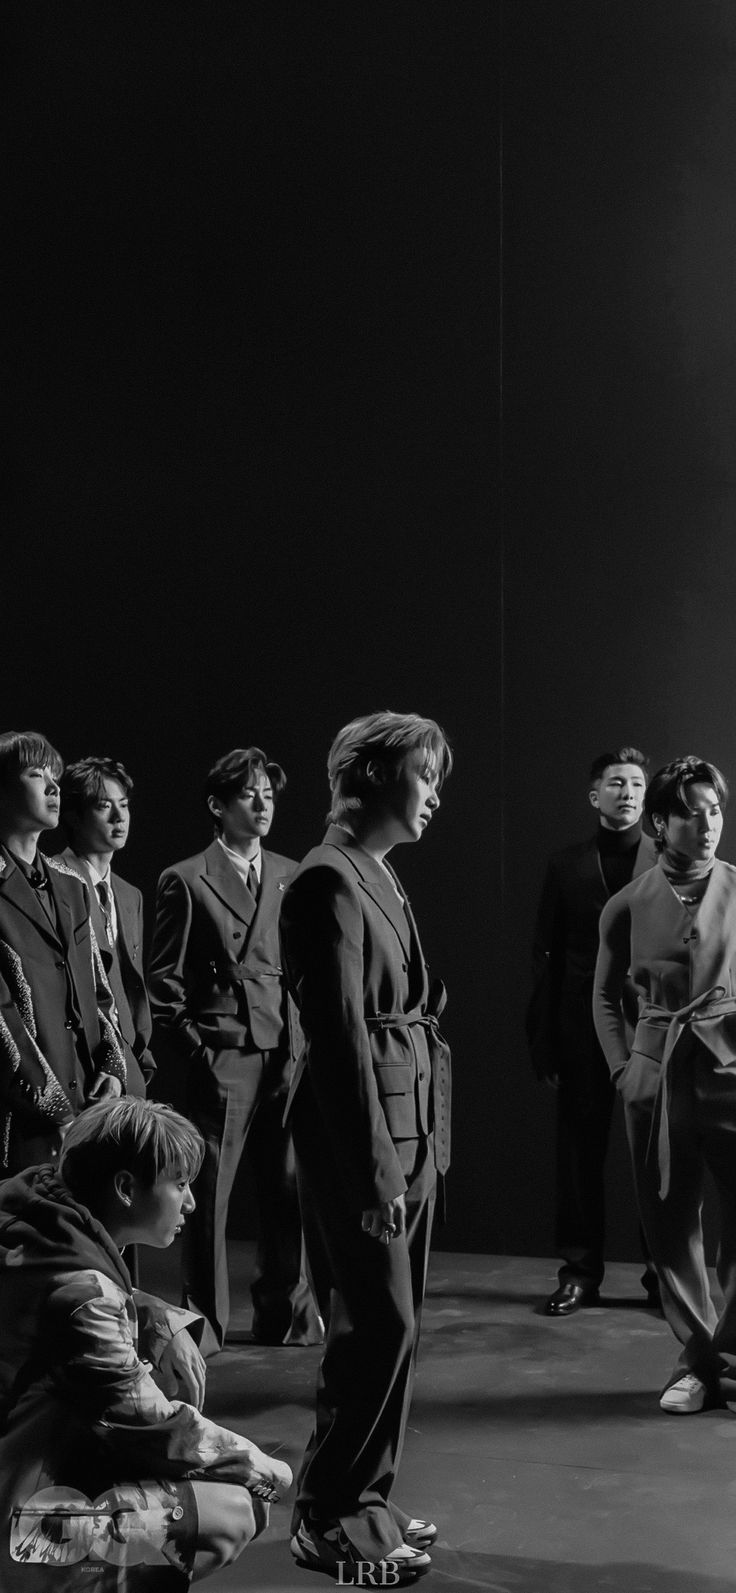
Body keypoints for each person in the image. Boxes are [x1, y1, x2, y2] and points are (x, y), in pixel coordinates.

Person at [279, 710, 452, 1584]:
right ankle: (324, 1513)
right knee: (373, 1324)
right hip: (370, 1136)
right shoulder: (326, 880)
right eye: (424, 776)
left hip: (410, 1123)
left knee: (398, 1325)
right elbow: (339, 1037)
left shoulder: (375, 874)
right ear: (375, 774)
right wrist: (377, 1165)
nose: (434, 796)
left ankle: (367, 1502)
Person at [0, 1096, 292, 1590]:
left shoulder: (31, 1217)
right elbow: (156, 1427)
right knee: (231, 1511)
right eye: (179, 1185)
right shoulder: (84, 1298)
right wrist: (266, 1470)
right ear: (126, 1189)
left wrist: (157, 1318)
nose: (192, 1201)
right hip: (17, 1523)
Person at [148, 747, 322, 1354]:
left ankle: (287, 1314)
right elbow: (163, 983)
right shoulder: (187, 878)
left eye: (268, 794)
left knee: (288, 1190)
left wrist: (302, 1040)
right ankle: (205, 1326)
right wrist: (199, 1053)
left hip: (285, 1051)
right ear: (218, 806)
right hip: (224, 1055)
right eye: (249, 794)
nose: (262, 803)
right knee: (207, 1196)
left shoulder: (291, 872)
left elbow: (303, 968)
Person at [594, 756, 736, 1415]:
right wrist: (627, 1070)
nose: (708, 824)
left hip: (730, 1068)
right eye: (692, 812)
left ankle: (730, 1361)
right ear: (659, 821)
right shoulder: (627, 902)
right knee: (671, 1224)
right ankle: (700, 1365)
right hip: (657, 1072)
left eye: (716, 810)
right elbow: (602, 997)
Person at [526, 746, 659, 1316]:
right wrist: (544, 1039)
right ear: (594, 795)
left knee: (659, 1157)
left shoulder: (671, 858)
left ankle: (664, 1274)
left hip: (655, 1030)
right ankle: (580, 1273)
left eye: (635, 783)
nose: (627, 792)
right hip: (582, 1031)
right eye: (615, 783)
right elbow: (545, 958)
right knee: (578, 1156)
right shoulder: (565, 864)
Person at [0, 730, 125, 1176]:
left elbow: (100, 992)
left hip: (86, 1110)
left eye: (55, 776)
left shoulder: (70, 885)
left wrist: (113, 1068)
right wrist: (52, 1108)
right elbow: (2, 1018)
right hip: (22, 1122)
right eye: (37, 775)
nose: (54, 787)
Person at [57, 756, 155, 1101]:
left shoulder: (130, 895)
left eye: (124, 805)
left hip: (131, 1064)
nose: (120, 817)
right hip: (82, 1067)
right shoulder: (55, 879)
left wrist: (141, 1057)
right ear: (73, 816)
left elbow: (133, 982)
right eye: (104, 806)